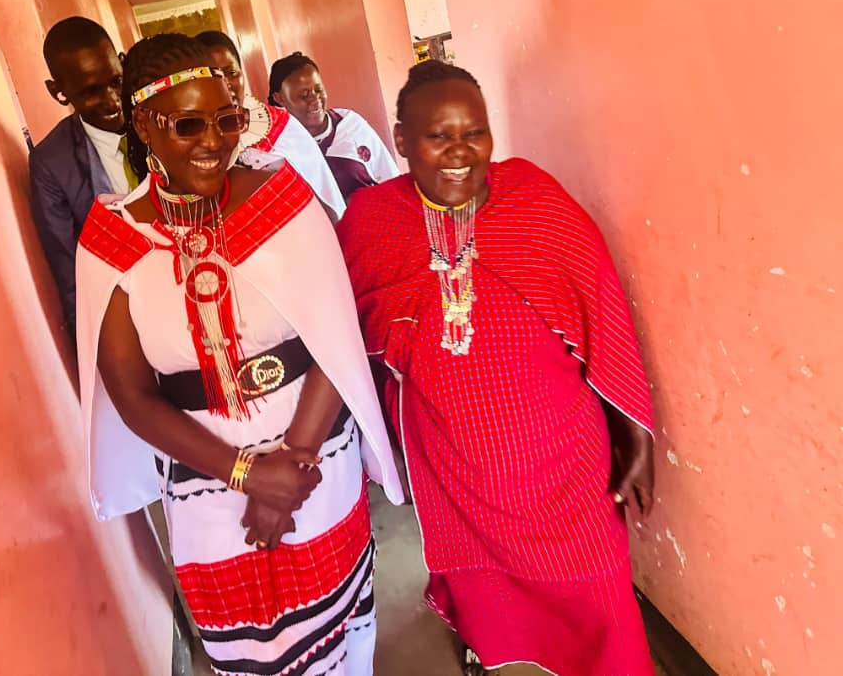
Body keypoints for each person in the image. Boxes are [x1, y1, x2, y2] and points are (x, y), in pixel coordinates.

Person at [75, 34, 404, 675]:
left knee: (343, 637)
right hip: (207, 484)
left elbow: (334, 333)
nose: (213, 142)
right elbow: (132, 395)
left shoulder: (282, 200)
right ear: (143, 126)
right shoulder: (113, 239)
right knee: (250, 652)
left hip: (315, 460)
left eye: (226, 121)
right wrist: (248, 475)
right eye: (188, 125)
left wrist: (291, 468)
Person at [337, 60, 656, 676]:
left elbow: (603, 311)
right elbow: (349, 334)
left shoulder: (535, 199)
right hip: (451, 457)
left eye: (474, 133)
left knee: (597, 586)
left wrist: (635, 435)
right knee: (485, 585)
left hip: (564, 458)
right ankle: (492, 650)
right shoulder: (373, 221)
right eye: (438, 136)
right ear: (401, 139)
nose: (460, 152)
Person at [29, 16, 142, 338]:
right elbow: (71, 274)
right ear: (58, 92)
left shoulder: (160, 118)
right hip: (130, 319)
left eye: (116, 81)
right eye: (91, 91)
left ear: (122, 63)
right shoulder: (52, 164)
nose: (112, 100)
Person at [195, 30, 346, 218]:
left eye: (231, 73)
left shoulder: (281, 126)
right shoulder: (190, 138)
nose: (226, 84)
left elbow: (325, 199)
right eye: (213, 76)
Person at [268, 52, 400, 202]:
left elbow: (390, 178)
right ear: (279, 98)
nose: (315, 99)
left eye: (318, 90)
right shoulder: (280, 146)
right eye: (304, 95)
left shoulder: (350, 125)